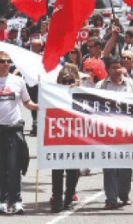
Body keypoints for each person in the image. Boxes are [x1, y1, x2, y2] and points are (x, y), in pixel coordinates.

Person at [0, 51, 39, 214]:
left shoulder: (18, 81)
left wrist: (38, 106)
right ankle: (4, 200)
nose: (6, 64)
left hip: (14, 129)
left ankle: (16, 200)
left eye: (8, 61)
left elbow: (27, 102)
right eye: (2, 61)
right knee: (0, 166)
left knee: (14, 166)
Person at [96, 57, 133, 209]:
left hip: (126, 131)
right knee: (109, 167)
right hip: (107, 132)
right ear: (108, 69)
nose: (116, 71)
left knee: (126, 167)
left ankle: (124, 194)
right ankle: (111, 198)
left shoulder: (130, 85)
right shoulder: (101, 86)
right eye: (113, 68)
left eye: (118, 67)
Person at [50, 64, 82, 213]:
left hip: (75, 137)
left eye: (71, 81)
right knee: (57, 168)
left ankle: (69, 196)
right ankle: (57, 198)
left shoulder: (82, 94)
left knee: (73, 170)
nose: (68, 85)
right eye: (64, 82)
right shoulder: (52, 94)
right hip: (58, 136)